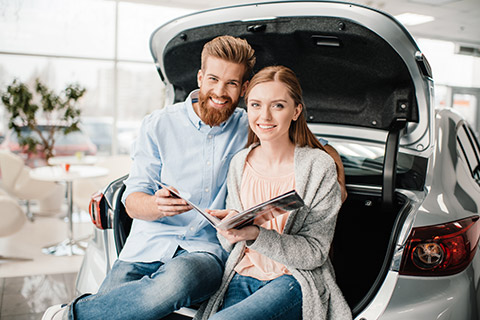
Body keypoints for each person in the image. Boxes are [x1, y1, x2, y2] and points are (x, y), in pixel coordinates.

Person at [42, 36, 345, 320]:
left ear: (244, 88)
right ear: (200, 78)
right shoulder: (159, 125)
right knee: (114, 309)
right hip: (146, 247)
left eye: (231, 84)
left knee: (175, 281)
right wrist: (155, 205)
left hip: (203, 253)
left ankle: (68, 315)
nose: (220, 92)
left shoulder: (250, 125)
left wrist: (333, 165)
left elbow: (298, 139)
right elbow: (132, 203)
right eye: (213, 80)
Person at [195, 66, 352, 320]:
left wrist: (256, 235)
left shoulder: (318, 166)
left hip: (294, 278)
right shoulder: (239, 162)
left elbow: (315, 252)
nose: (264, 116)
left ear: (296, 111)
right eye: (256, 105)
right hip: (242, 270)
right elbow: (229, 243)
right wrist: (230, 226)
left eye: (277, 106)